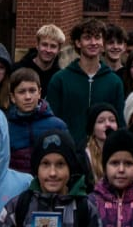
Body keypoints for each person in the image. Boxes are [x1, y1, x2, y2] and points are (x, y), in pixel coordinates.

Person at [49, 20, 127, 148]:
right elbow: (52, 122)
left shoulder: (114, 82)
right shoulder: (60, 80)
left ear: (103, 43)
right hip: (69, 151)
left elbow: (120, 124)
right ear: (78, 43)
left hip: (104, 152)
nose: (93, 43)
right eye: (87, 38)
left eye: (97, 38)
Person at [6, 66, 70, 179]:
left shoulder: (57, 126)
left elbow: (69, 161)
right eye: (21, 92)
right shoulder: (6, 128)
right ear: (12, 97)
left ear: (39, 93)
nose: (28, 97)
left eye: (32, 91)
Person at [17, 24, 67, 92]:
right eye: (44, 45)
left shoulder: (60, 78)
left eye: (53, 46)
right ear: (37, 45)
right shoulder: (18, 70)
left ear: (59, 50)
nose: (48, 50)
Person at [83, 104, 121, 188]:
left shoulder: (125, 152)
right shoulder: (84, 157)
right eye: (101, 121)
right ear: (92, 129)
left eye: (112, 120)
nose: (108, 124)